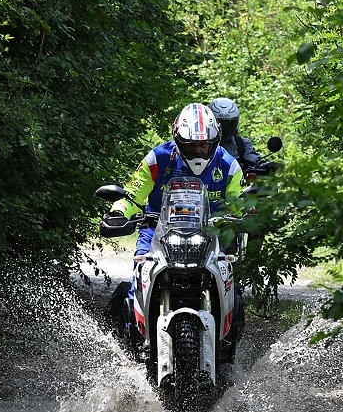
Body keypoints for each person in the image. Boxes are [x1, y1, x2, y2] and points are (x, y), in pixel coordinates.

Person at [102, 102, 244, 302]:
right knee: (140, 279)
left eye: (203, 145)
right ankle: (132, 316)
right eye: (190, 145)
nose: (197, 151)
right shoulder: (158, 159)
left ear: (214, 142)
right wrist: (118, 212)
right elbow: (133, 194)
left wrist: (246, 214)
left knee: (229, 287)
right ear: (178, 141)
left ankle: (228, 316)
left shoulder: (228, 165)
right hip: (156, 232)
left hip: (211, 235)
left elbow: (238, 201)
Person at [208, 97, 265, 171]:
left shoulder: (241, 144)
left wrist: (265, 165)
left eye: (229, 124)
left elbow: (254, 159)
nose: (225, 129)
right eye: (221, 125)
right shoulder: (200, 144)